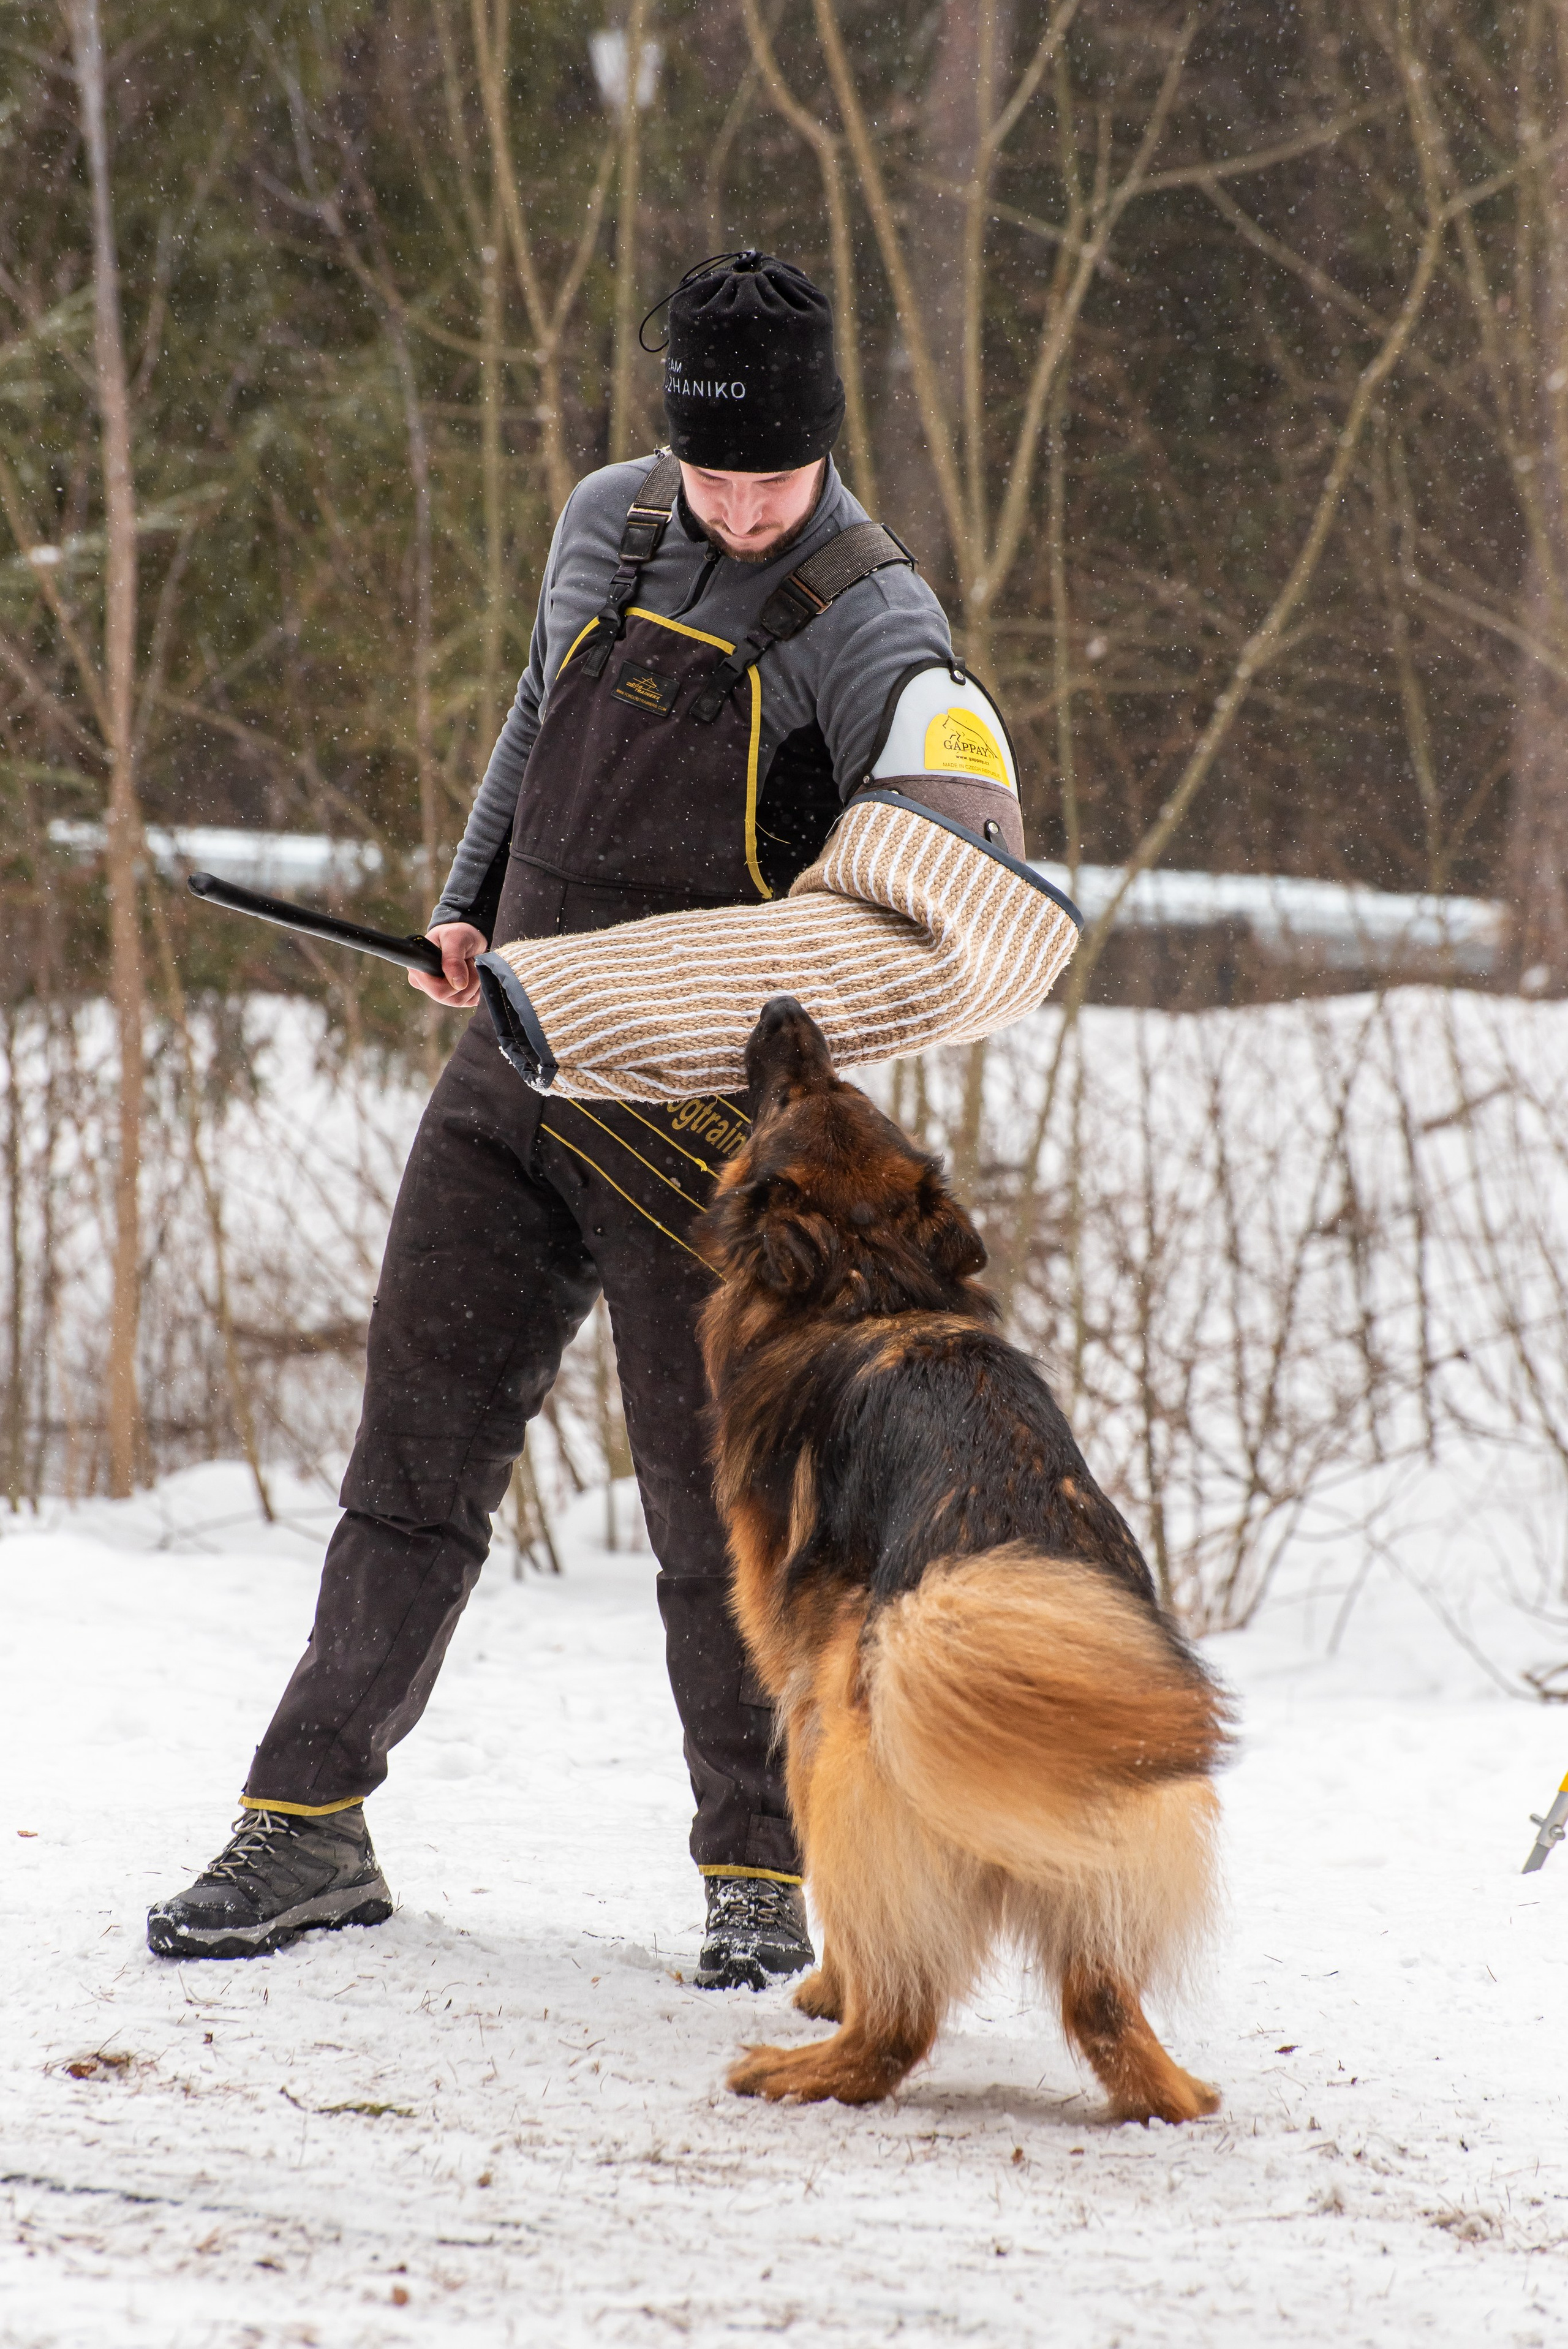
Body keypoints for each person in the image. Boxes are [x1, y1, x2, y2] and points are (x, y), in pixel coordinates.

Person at [147, 251, 1063, 1987]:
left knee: (713, 1525)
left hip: (696, 1153)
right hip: (509, 1074)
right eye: (706, 467)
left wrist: (675, 1013)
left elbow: (944, 901)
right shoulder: (609, 521)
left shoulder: (877, 626)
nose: (729, 504)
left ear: (824, 449)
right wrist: (466, 904)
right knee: (409, 1469)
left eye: (765, 477)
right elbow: (535, 708)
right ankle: (304, 1822)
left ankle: (754, 1868)